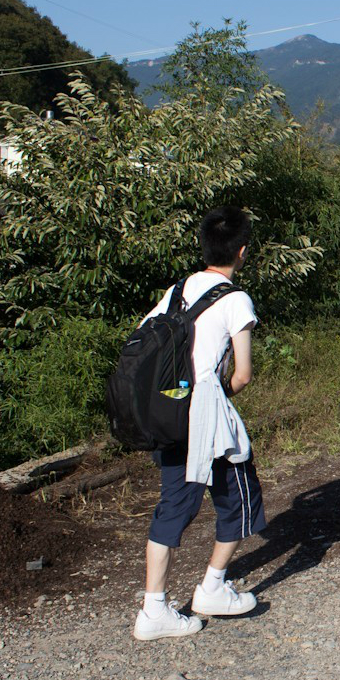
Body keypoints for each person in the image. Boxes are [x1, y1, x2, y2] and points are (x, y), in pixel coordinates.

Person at [133, 206, 266, 641]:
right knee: (240, 495)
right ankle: (211, 587)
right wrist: (218, 397)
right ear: (242, 252)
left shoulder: (177, 290)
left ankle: (154, 607)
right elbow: (242, 374)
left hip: (166, 409)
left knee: (174, 504)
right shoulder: (235, 299)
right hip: (203, 411)